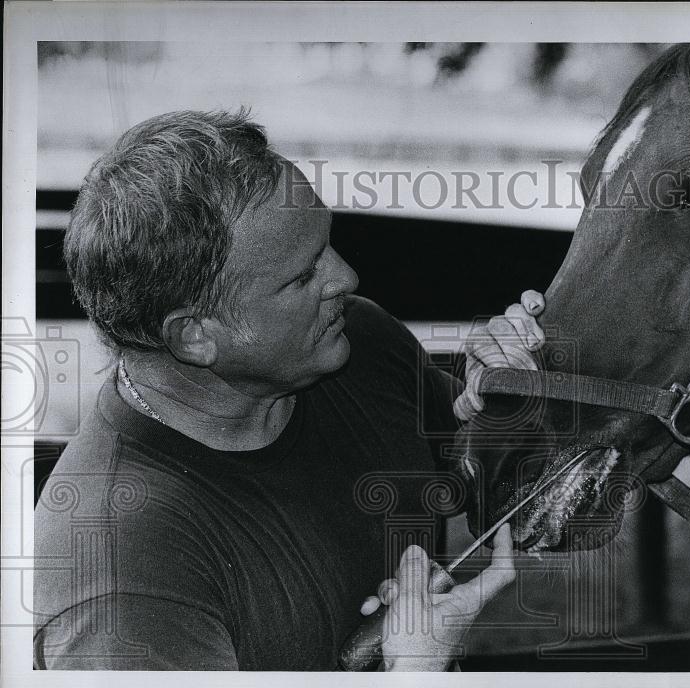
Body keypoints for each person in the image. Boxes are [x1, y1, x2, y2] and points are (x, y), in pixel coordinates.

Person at [33, 109, 545, 671]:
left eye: (328, 243)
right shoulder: (121, 573)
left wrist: (507, 399)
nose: (345, 278)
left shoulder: (357, 345)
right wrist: (416, 673)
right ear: (196, 335)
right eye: (302, 277)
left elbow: (510, 488)